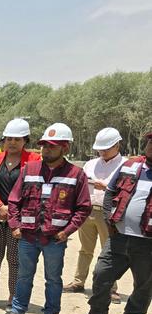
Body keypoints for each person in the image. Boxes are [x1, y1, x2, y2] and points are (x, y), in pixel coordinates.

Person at [0, 123, 92, 314]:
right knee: (24, 275)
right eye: (44, 145)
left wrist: (67, 231)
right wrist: (15, 225)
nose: (46, 149)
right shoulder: (29, 170)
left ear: (65, 148)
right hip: (28, 236)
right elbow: (14, 201)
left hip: (55, 239)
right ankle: (18, 311)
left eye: (52, 146)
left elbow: (83, 207)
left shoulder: (76, 174)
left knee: (53, 279)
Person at [70, 131, 152, 314]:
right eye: (150, 142)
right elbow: (111, 193)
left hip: (147, 243)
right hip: (119, 236)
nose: (151, 146)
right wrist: (110, 221)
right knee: (101, 273)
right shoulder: (131, 166)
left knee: (143, 285)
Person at [0, 119, 39, 308]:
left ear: (25, 141)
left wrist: (11, 211)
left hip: (18, 218)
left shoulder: (34, 160)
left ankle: (13, 295)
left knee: (14, 258)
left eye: (17, 139)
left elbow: (33, 188)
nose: (12, 143)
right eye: (9, 139)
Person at [64, 127, 124, 301]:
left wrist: (106, 187)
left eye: (106, 148)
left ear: (117, 145)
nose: (102, 152)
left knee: (110, 252)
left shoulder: (125, 165)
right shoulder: (90, 164)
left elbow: (126, 191)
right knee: (85, 249)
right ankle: (78, 281)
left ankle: (111, 287)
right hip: (88, 211)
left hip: (110, 214)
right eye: (100, 149)